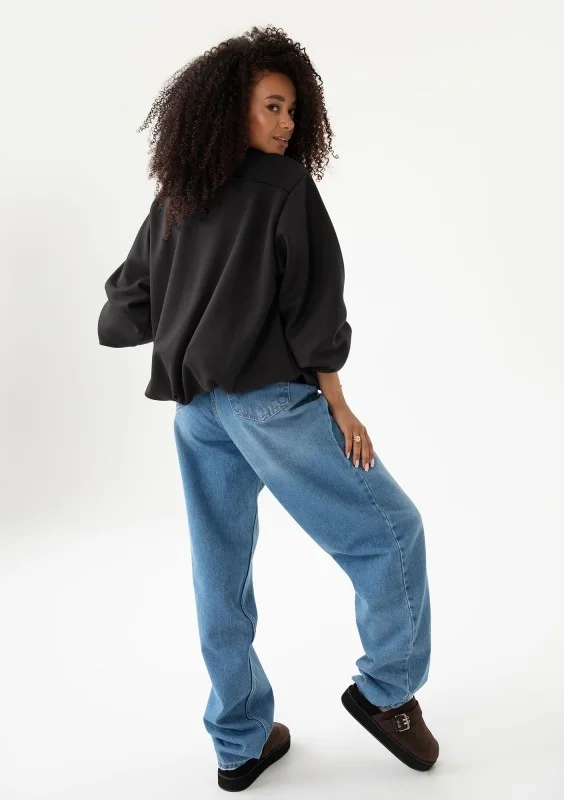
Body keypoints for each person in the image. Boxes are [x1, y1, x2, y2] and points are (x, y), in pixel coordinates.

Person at [98, 24, 439, 792]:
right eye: (273, 107)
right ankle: (387, 694)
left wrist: (187, 312)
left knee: (219, 573)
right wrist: (340, 406)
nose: (287, 124)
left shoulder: (177, 195)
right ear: (232, 110)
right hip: (270, 409)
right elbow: (313, 310)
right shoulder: (285, 190)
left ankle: (238, 742)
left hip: (197, 414)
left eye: (292, 109)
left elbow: (124, 309)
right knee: (392, 532)